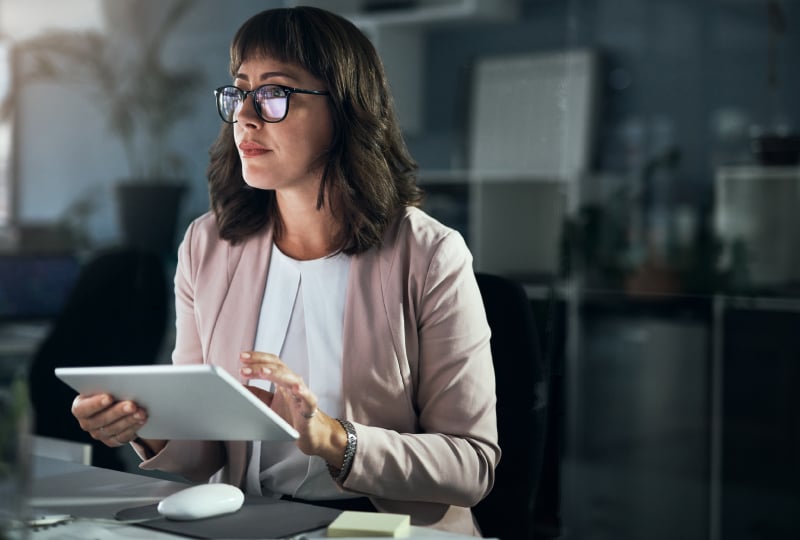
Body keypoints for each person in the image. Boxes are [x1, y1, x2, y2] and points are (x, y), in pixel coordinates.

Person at [70, 5, 499, 535]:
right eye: (239, 90)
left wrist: (336, 440)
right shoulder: (207, 246)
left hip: (385, 529)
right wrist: (144, 428)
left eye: (274, 93)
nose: (246, 116)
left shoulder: (431, 254)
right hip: (251, 522)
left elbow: (472, 464)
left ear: (343, 110)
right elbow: (202, 454)